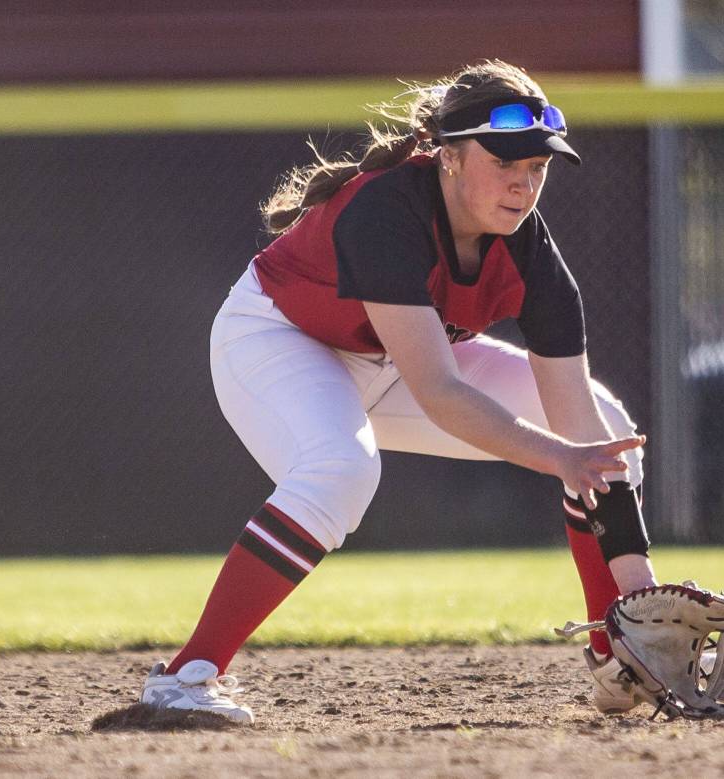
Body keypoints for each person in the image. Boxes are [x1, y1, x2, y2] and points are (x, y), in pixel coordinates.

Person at [140, 60, 657, 724]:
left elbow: (586, 434)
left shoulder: (529, 250)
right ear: (447, 155)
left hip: (396, 360)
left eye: (538, 167)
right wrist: (560, 458)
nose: (524, 183)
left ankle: (614, 649)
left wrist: (637, 584)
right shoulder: (386, 208)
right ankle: (185, 677)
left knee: (606, 422)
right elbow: (441, 392)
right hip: (279, 340)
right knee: (341, 469)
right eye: (506, 162)